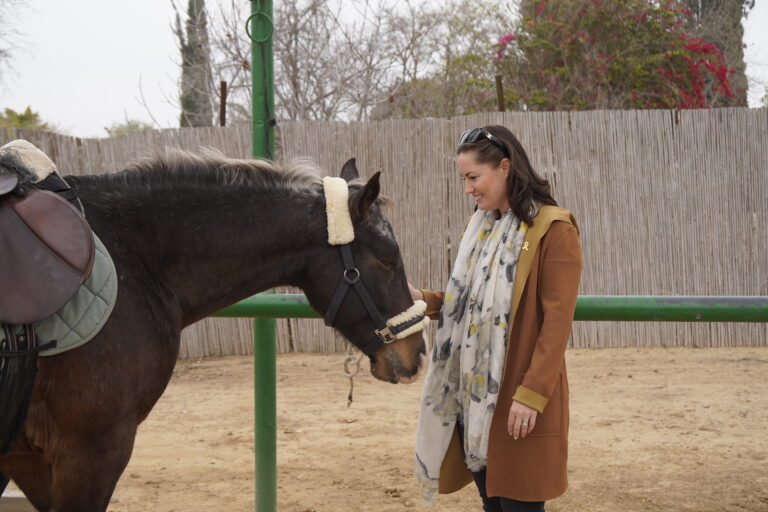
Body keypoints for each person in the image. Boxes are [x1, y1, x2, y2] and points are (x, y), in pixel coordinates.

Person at [411, 125, 582, 512]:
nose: (468, 188)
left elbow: (556, 323)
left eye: (474, 177)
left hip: (519, 401)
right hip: (475, 402)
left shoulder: (553, 231)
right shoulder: (482, 228)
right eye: (464, 179)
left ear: (504, 167)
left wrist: (532, 395)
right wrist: (424, 299)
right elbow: (468, 301)